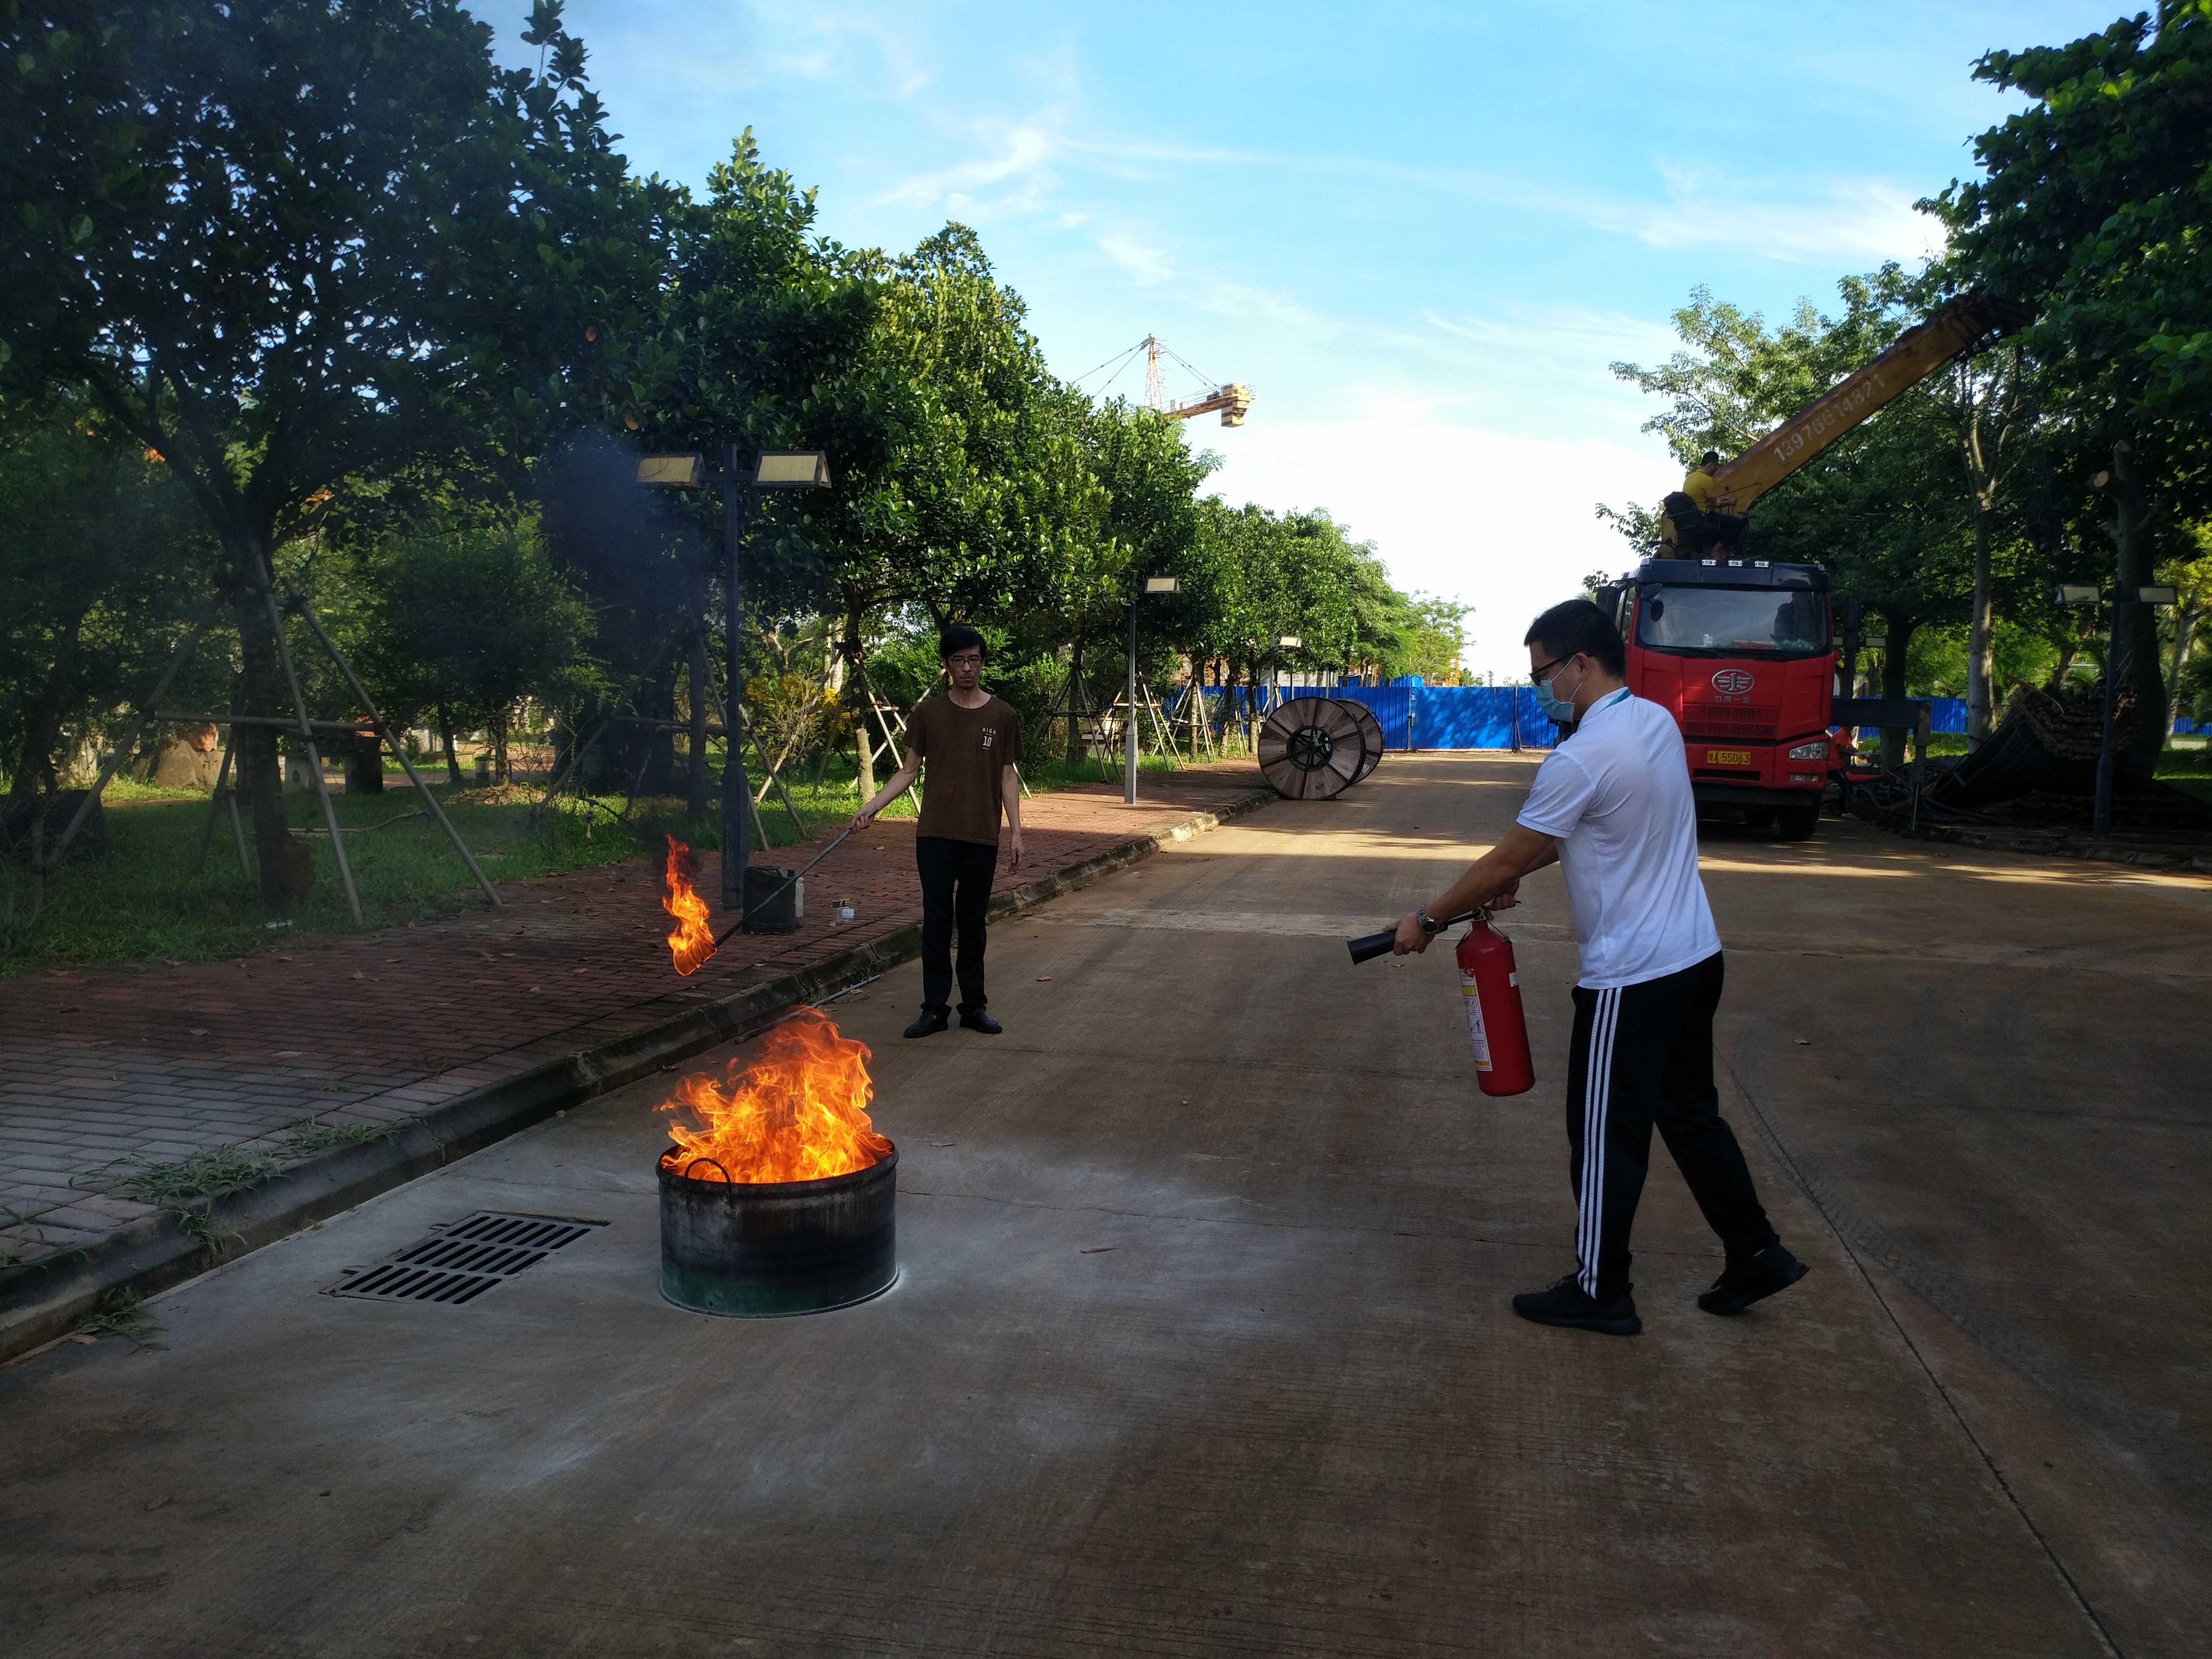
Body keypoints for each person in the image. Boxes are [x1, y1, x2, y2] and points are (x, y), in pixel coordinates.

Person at [1390, 599, 1807, 1335]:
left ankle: (1600, 1290)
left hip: (1634, 977)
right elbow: (1595, 826)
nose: (1538, 686)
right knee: (1689, 1115)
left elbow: (1509, 855)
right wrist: (1537, 862)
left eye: (1542, 672)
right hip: (1693, 957)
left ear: (1580, 663)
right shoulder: (1653, 723)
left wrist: (1426, 920)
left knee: (1605, 1135)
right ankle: (1756, 1252)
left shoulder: (1581, 755)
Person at [855, 625, 1026, 1039]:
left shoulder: (1003, 715)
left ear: (983, 662)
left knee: (972, 923)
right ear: (947, 665)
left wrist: (1017, 833)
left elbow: (1007, 777)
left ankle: (974, 1006)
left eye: (974, 659)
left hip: (982, 835)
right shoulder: (929, 713)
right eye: (959, 660)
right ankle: (934, 1009)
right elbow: (908, 771)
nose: (967, 668)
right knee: (936, 921)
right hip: (934, 835)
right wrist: (872, 806)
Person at [1682, 449, 1723, 514]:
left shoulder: (1690, 478)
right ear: (1712, 465)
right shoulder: (1707, 480)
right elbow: (1716, 504)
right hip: (1704, 516)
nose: (1717, 469)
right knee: (1737, 522)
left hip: (1693, 517)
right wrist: (1730, 502)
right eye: (1716, 466)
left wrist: (1723, 499)